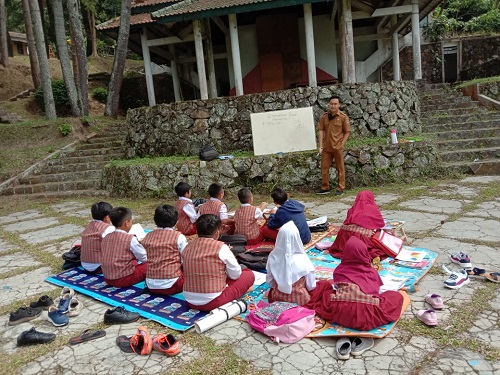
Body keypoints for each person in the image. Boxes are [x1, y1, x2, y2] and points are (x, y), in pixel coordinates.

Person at [306, 237, 404, 331]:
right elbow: (375, 292)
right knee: (396, 296)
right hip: (367, 316)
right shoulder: (371, 272)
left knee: (325, 289)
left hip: (340, 311)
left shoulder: (340, 270)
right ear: (364, 253)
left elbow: (336, 286)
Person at [182, 214, 255, 311]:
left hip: (189, 300)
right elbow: (235, 275)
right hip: (213, 301)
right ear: (217, 233)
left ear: (196, 231)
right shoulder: (221, 247)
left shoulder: (187, 247)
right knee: (248, 274)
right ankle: (241, 289)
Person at [266, 221, 316, 305]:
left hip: (277, 298)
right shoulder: (303, 258)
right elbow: (311, 286)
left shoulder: (273, 256)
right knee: (324, 286)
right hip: (300, 299)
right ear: (297, 238)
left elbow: (270, 282)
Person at [142, 204, 188, 295]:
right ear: (176, 222)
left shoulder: (148, 236)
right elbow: (185, 259)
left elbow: (144, 257)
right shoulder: (179, 237)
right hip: (173, 284)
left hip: (150, 284)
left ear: (155, 221)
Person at [328, 190, 387, 260]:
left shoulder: (352, 209)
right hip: (361, 238)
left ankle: (348, 250)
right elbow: (380, 224)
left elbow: (347, 222)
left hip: (344, 236)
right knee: (380, 244)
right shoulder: (373, 209)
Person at [101, 207, 148, 288]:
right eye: (131, 221)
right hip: (123, 279)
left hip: (107, 278)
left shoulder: (106, 237)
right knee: (150, 264)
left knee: (134, 261)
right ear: (126, 223)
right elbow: (145, 258)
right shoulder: (130, 239)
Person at [317, 95, 351, 195]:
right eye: (331, 104)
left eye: (335, 104)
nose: (333, 106)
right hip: (327, 147)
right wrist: (320, 146)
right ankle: (325, 187)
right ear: (329, 104)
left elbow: (347, 132)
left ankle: (341, 188)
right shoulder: (324, 117)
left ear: (339, 105)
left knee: (340, 168)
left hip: (337, 147)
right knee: (324, 168)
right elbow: (321, 131)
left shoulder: (343, 117)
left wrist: (342, 143)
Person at [81, 202, 115, 274]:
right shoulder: (108, 228)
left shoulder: (90, 225)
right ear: (107, 218)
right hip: (99, 266)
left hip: (84, 265)